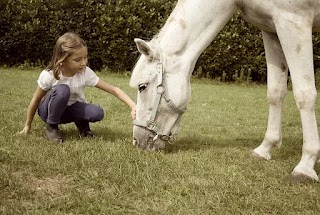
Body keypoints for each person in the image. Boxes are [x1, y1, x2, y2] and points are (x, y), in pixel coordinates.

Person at [19, 32, 136, 143]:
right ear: (62, 59)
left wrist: (133, 106)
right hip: (48, 111)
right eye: (78, 59)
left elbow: (113, 89)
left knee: (97, 113)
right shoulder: (49, 75)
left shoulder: (85, 72)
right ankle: (52, 127)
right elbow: (36, 100)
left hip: (70, 109)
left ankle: (83, 127)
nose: (84, 63)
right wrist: (27, 125)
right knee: (63, 90)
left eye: (85, 57)